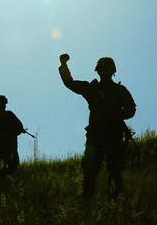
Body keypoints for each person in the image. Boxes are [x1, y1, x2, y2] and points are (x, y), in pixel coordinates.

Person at [58, 53, 136, 200]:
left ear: (113, 71)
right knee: (89, 174)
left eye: (107, 69)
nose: (105, 72)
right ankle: (87, 203)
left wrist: (116, 113)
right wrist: (64, 65)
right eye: (102, 69)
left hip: (113, 136)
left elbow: (131, 109)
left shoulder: (120, 90)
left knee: (115, 173)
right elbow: (70, 83)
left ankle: (116, 204)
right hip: (95, 136)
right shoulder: (91, 88)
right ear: (98, 71)